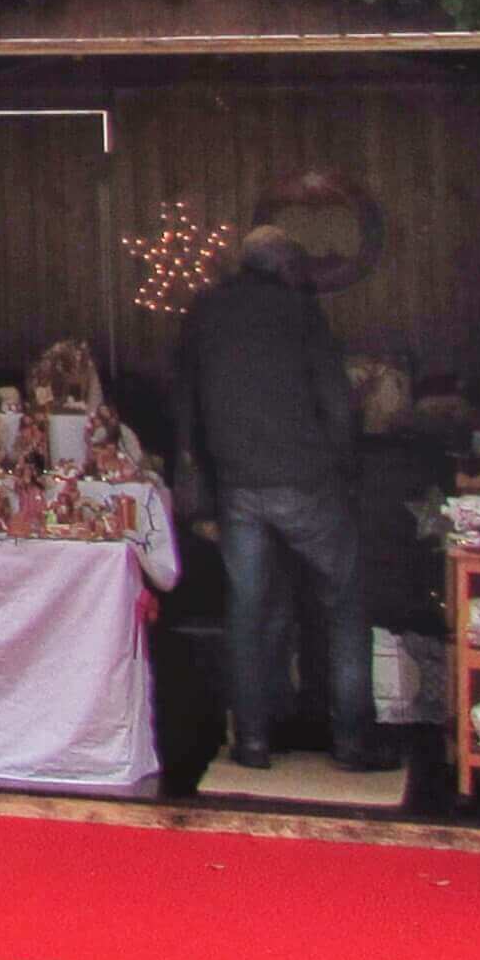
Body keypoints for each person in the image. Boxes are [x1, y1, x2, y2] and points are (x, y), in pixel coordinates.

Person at [172, 222, 385, 772]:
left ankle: (254, 740)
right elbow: (336, 403)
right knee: (343, 604)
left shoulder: (205, 313)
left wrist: (201, 487)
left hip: (239, 488)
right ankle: (354, 742)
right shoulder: (299, 313)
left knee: (248, 612)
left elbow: (186, 404)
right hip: (306, 481)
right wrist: (346, 471)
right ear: (288, 266)